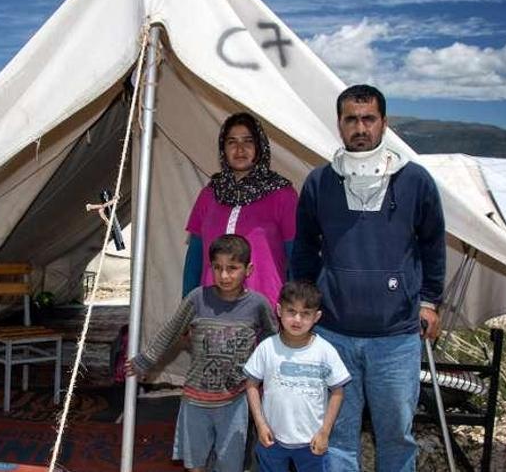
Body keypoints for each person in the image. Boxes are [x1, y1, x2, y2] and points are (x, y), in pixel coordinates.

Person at [291, 84, 446, 471]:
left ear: (384, 123)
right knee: (337, 434)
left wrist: (429, 302)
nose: (360, 128)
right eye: (351, 120)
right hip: (334, 334)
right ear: (339, 125)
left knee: (395, 433)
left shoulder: (415, 181)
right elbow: (306, 251)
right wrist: (303, 314)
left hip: (395, 338)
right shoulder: (318, 182)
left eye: (368, 119)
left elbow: (432, 245)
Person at [127, 234, 277, 472]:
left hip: (235, 401)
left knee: (230, 463)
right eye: (218, 268)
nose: (224, 275)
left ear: (248, 269)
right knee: (195, 462)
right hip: (196, 400)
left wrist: (275, 379)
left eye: (232, 268)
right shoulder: (197, 299)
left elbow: (273, 343)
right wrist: (146, 359)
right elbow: (171, 330)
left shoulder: (258, 305)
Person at [184, 112, 298, 311]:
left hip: (265, 310)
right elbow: (194, 260)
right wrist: (186, 308)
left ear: (260, 147)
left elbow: (296, 258)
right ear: (223, 149)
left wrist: (293, 308)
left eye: (248, 141)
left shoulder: (282, 194)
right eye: (231, 142)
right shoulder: (209, 195)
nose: (239, 149)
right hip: (211, 310)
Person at [244, 280, 350, 472]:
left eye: (305, 314)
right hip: (272, 439)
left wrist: (325, 432)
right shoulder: (267, 348)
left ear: (316, 317)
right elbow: (251, 384)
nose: (297, 320)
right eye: (291, 311)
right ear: (279, 310)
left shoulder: (325, 351)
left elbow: (337, 391)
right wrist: (260, 424)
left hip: (312, 441)